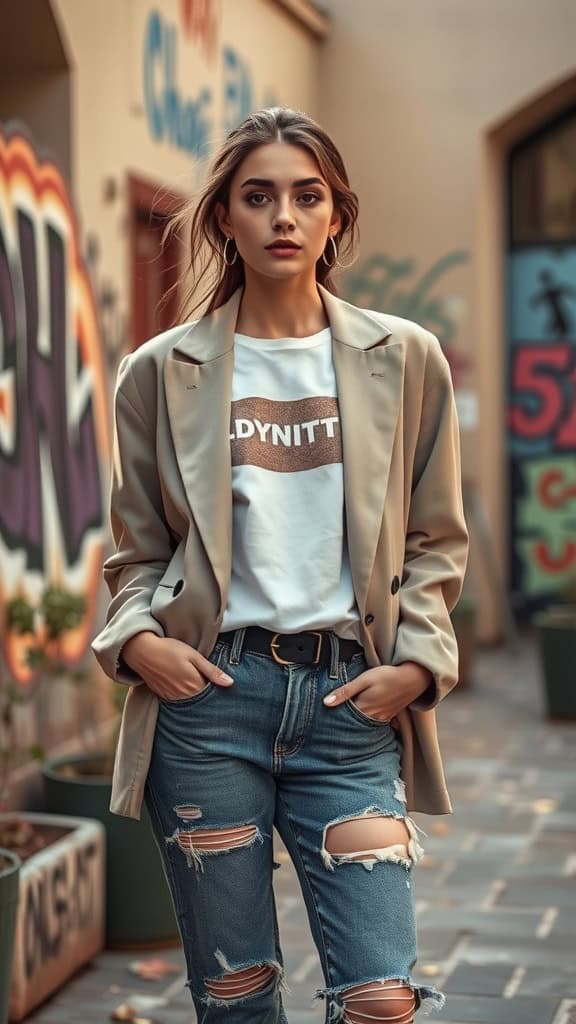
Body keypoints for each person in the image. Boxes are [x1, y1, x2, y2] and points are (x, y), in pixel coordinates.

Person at [92, 106, 468, 1024]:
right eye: (258, 197)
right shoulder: (159, 370)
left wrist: (417, 664)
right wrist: (138, 642)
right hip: (209, 704)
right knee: (237, 995)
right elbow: (135, 552)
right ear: (225, 216)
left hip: (350, 706)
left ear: (338, 214)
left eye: (307, 197)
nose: (283, 217)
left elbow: (435, 540)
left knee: (382, 1000)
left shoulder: (404, 357)